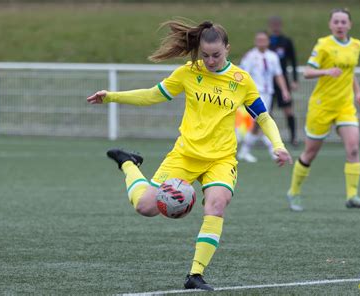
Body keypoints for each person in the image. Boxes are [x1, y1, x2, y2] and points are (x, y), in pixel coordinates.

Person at [87, 20, 292, 290]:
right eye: (204, 55)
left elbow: (263, 117)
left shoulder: (241, 80)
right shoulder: (188, 72)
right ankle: (128, 163)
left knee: (216, 205)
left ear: (227, 49)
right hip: (185, 155)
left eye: (216, 55)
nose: (210, 61)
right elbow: (152, 95)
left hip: (221, 159)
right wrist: (111, 96)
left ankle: (195, 275)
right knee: (145, 207)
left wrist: (278, 144)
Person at [286, 8, 360, 211]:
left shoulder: (356, 45)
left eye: (343, 22)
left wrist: (358, 92)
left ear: (350, 25)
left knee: (353, 148)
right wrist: (326, 71)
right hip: (322, 106)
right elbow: (307, 72)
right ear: (330, 25)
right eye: (336, 22)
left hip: (345, 106)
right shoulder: (323, 45)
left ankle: (352, 196)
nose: (340, 25)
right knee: (310, 153)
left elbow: (350, 73)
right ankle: (294, 192)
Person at [237, 31, 291, 163]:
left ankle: (246, 151)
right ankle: (273, 149)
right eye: (258, 40)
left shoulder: (273, 56)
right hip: (254, 94)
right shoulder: (250, 56)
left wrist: (284, 90)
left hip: (268, 93)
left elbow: (278, 74)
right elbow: (242, 75)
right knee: (260, 121)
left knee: (261, 122)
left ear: (268, 41)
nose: (261, 42)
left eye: (263, 40)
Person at [268, 16, 299, 146]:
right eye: (273, 24)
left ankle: (293, 138)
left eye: (277, 24)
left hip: (283, 81)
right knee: (267, 112)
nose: (275, 26)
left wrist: (295, 80)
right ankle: (270, 139)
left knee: (288, 110)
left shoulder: (286, 41)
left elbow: (293, 61)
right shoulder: (266, 41)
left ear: (280, 25)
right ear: (270, 26)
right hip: (268, 81)